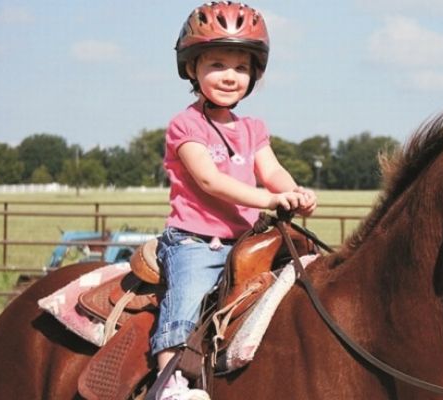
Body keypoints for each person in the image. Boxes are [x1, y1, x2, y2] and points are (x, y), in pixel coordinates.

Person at [152, 2, 317, 399]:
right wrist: (267, 198)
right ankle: (170, 381)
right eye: (217, 65)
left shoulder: (253, 129)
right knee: (187, 300)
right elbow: (210, 180)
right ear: (192, 68)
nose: (230, 76)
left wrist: (292, 192)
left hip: (246, 244)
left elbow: (272, 170)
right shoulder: (186, 125)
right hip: (195, 242)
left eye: (241, 68)